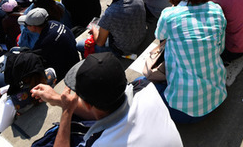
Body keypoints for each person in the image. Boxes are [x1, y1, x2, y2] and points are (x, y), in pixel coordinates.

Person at [31, 53, 181, 146]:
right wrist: (57, 99)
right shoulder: (145, 87)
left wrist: (66, 111)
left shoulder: (99, 143)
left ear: (88, 104)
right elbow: (103, 109)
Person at [153, 0, 227, 123]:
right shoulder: (216, 10)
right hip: (217, 96)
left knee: (142, 85)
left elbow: (159, 35)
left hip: (183, 110)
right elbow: (220, 49)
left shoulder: (170, 15)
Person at [82, 0, 146, 57]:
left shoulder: (108, 14)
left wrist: (94, 29)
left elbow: (100, 42)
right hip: (142, 36)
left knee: (80, 45)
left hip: (124, 49)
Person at [24, 7, 80, 79]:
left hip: (68, 71)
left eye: (26, 25)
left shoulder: (44, 42)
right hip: (74, 58)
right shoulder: (54, 23)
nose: (26, 27)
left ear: (34, 27)